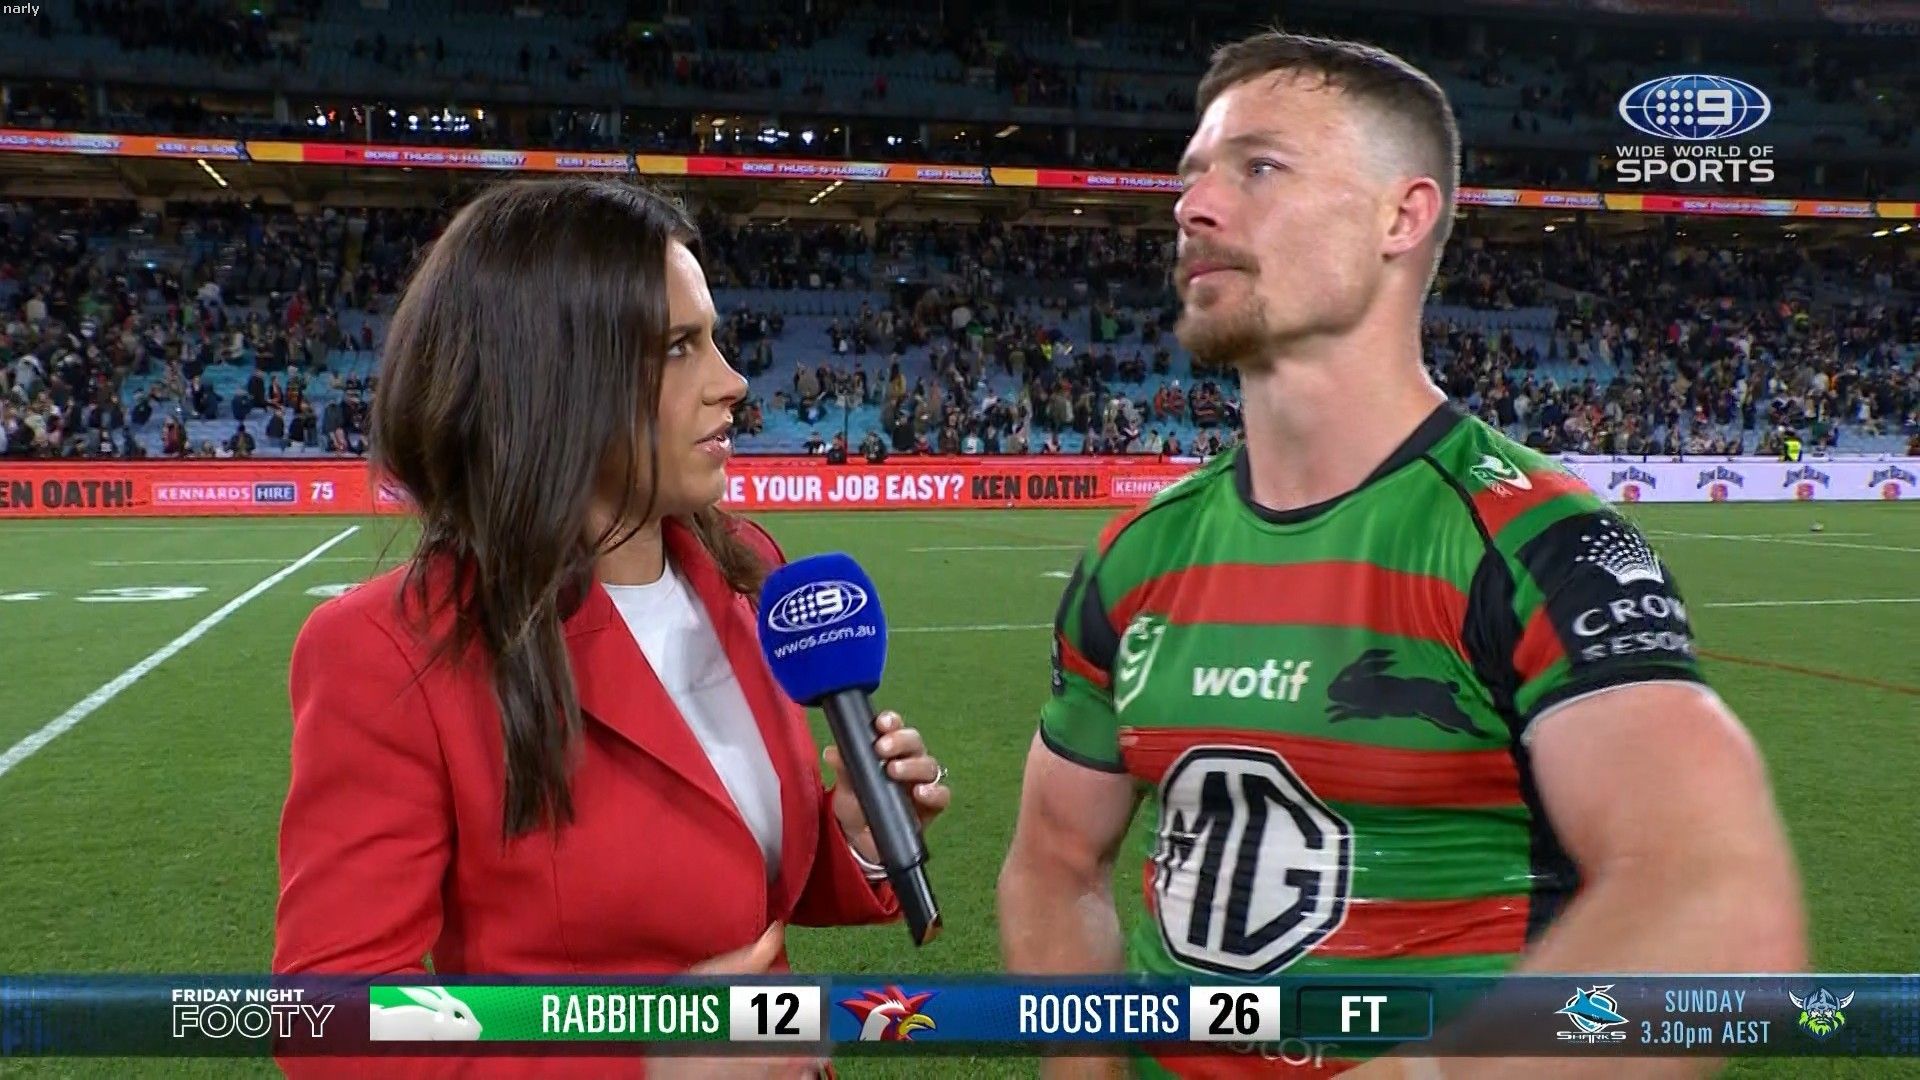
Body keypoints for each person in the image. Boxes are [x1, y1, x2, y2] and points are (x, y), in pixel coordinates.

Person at [997, 33, 1805, 1080]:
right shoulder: (1136, 554)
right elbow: (1055, 861)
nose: (1193, 206)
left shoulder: (1534, 545)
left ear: (1402, 216)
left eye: (1259, 167)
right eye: (1192, 175)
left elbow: (1720, 904)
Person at [275, 179, 950, 1078]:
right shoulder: (388, 652)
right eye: (679, 347)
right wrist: (646, 1063)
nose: (734, 383)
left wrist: (857, 840)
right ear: (555, 379)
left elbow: (733, 877)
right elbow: (332, 1022)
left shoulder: (748, 570)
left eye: (714, 339)